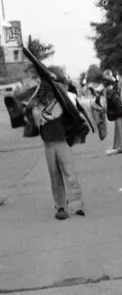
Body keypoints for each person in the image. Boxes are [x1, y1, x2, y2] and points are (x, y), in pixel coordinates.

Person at [26, 68, 85, 220]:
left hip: (61, 140)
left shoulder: (62, 99)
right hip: (48, 143)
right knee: (55, 175)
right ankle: (60, 206)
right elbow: (32, 115)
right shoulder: (38, 102)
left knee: (69, 173)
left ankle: (76, 204)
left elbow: (66, 111)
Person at [102, 70, 122, 154]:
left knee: (119, 126)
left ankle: (121, 145)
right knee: (121, 125)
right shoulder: (114, 84)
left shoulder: (110, 86)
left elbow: (110, 97)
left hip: (115, 106)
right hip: (118, 106)